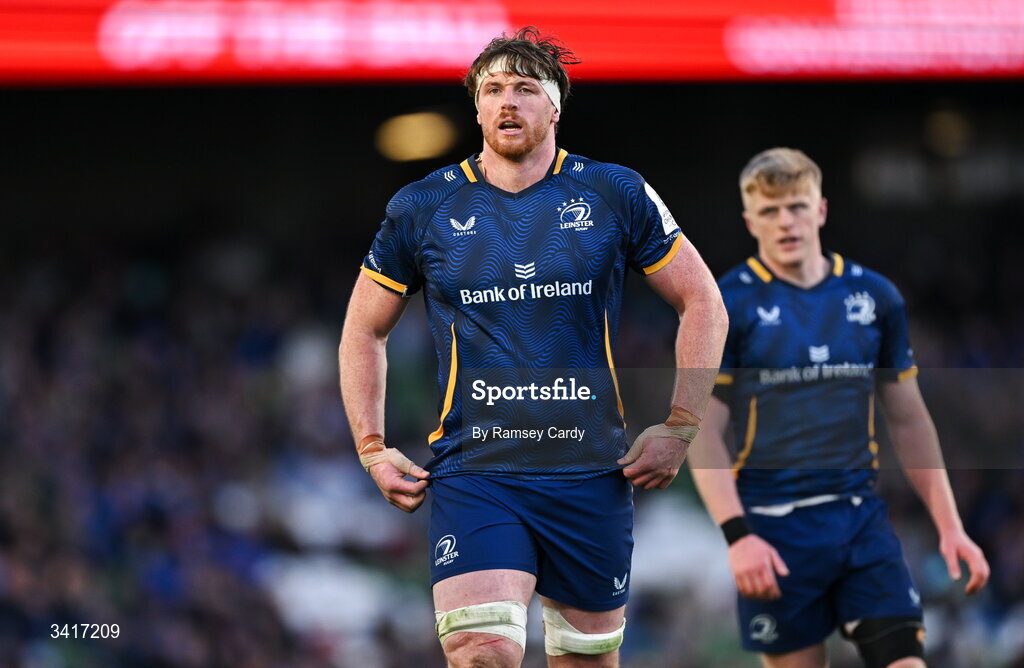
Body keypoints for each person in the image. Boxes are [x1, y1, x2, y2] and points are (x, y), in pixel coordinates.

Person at [339, 27, 727, 668]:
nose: (507, 102)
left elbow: (703, 302)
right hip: (477, 472)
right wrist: (371, 446)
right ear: (476, 108)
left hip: (591, 474)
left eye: (525, 88)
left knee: (585, 660)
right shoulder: (425, 205)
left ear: (556, 107)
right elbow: (363, 328)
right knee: (481, 650)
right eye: (492, 89)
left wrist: (681, 425)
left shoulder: (614, 192)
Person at [687, 147, 990, 668]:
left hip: (859, 522)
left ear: (821, 210)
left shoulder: (875, 297)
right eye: (771, 210)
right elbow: (703, 432)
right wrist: (738, 536)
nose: (787, 222)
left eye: (798, 206)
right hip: (775, 534)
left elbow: (908, 417)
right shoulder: (727, 305)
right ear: (749, 220)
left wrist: (950, 525)